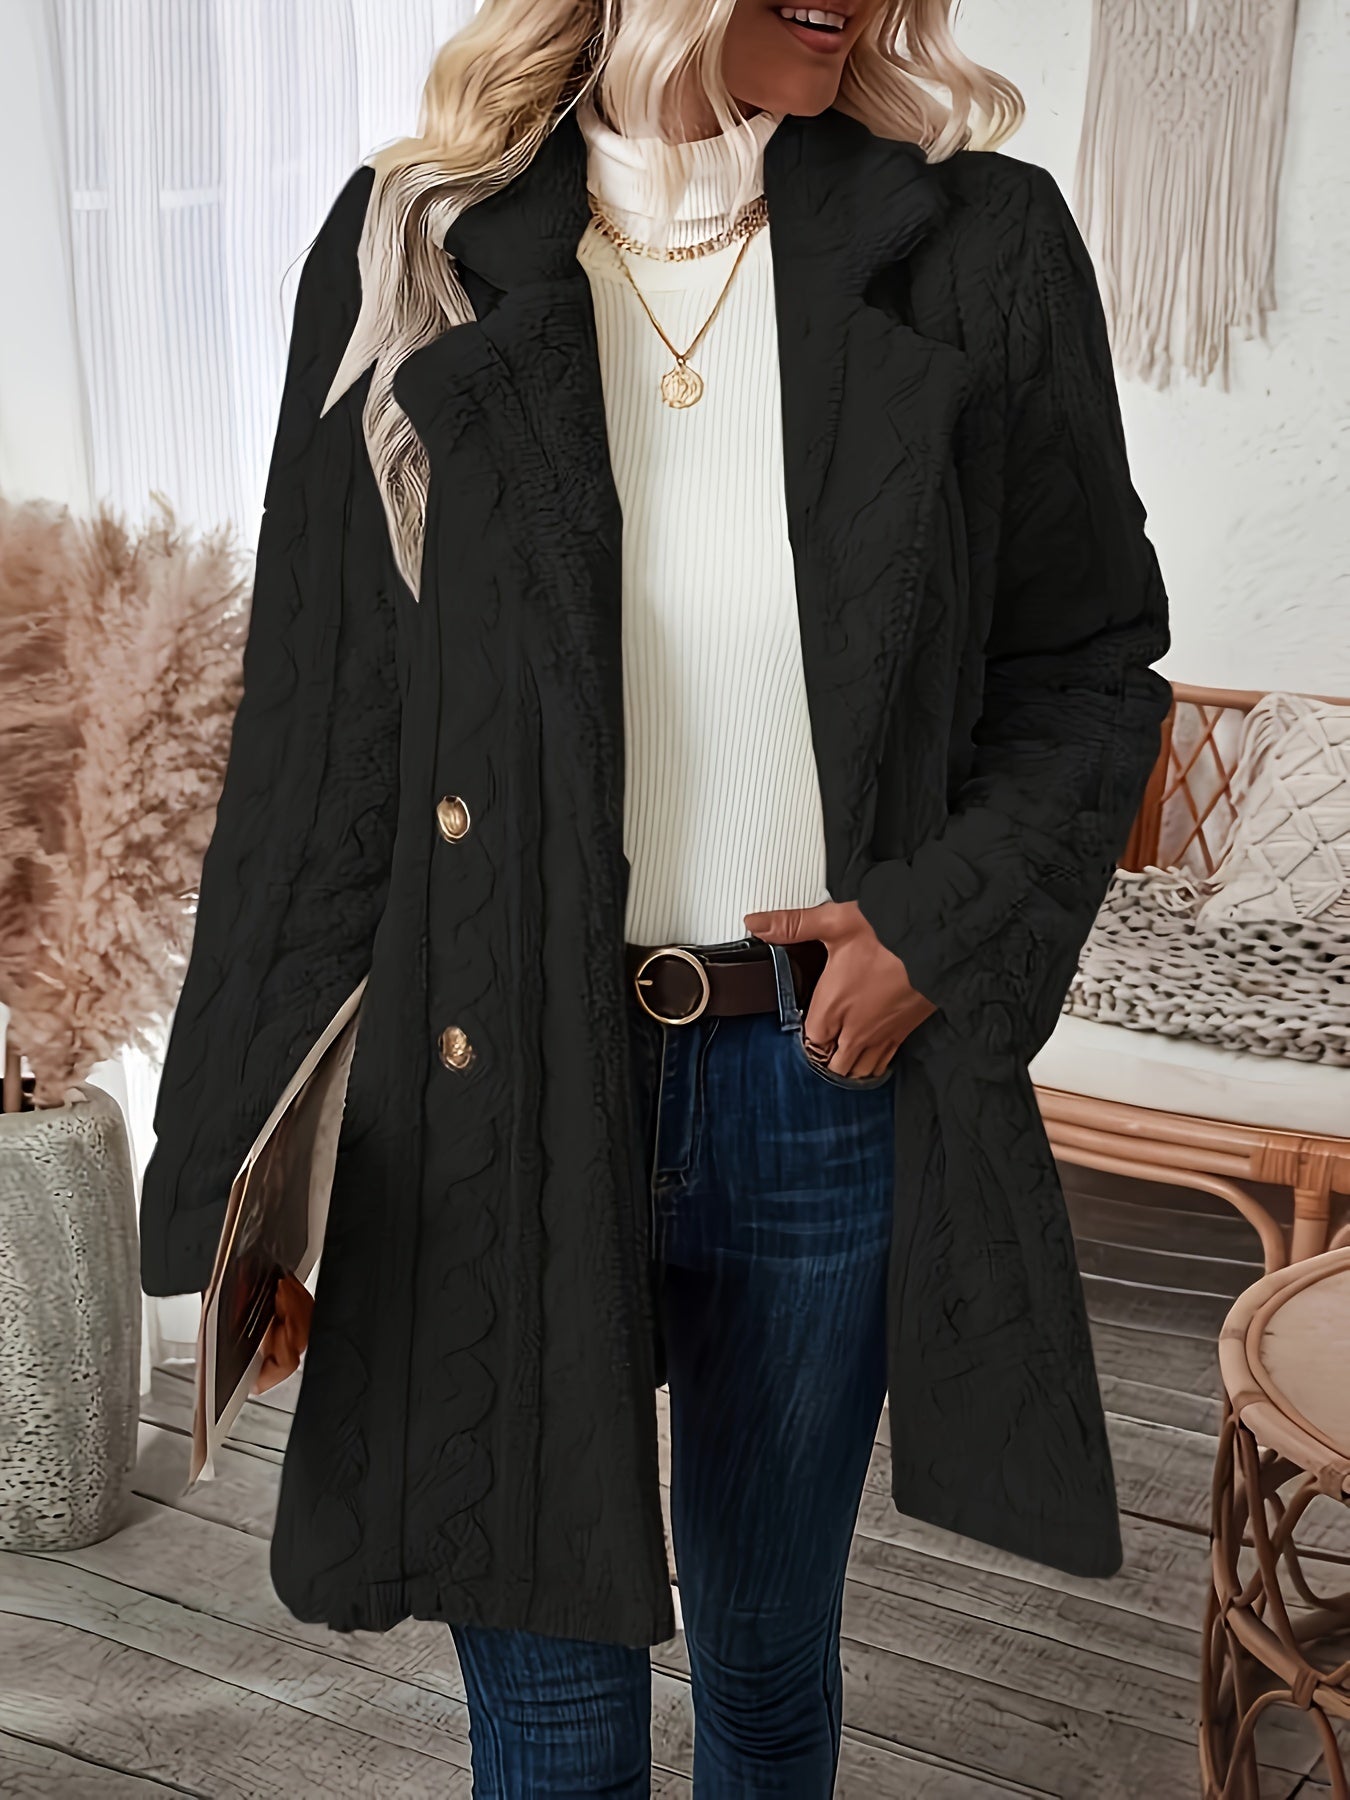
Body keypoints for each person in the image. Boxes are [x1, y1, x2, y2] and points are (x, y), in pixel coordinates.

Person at [139, 0, 1172, 1792]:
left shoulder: (978, 242)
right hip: (495, 1068)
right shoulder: (415, 247)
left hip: (816, 1074)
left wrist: (934, 925)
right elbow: (317, 739)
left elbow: (1086, 667)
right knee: (549, 1721)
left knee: (767, 1664)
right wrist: (232, 1172)